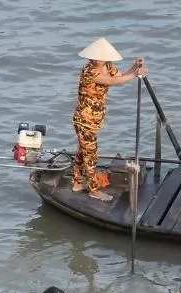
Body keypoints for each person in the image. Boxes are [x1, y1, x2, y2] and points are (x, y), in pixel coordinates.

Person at [71, 39, 146, 200]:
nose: (102, 60)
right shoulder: (89, 72)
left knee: (83, 151)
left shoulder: (108, 66)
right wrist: (135, 74)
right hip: (84, 119)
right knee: (91, 154)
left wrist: (135, 67)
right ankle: (93, 189)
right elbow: (112, 82)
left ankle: (77, 183)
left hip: (96, 118)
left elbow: (120, 77)